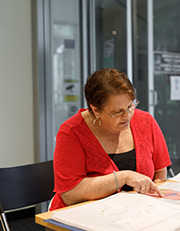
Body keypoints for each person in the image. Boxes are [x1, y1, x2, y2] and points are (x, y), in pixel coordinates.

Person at [50, 68, 172, 210]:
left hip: (137, 213)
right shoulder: (72, 132)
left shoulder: (146, 121)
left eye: (130, 106)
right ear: (96, 110)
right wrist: (123, 177)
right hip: (86, 214)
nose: (127, 116)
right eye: (117, 112)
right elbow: (70, 194)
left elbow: (160, 172)